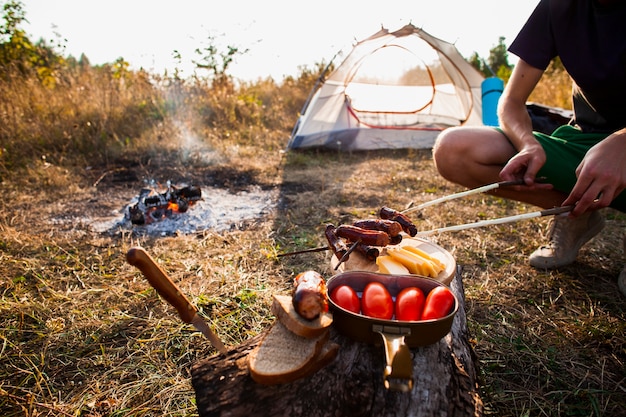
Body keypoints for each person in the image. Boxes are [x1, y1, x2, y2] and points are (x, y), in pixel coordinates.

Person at [432, 0, 626, 295]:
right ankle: (574, 214)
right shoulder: (557, 7)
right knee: (453, 149)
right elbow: (510, 102)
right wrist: (528, 144)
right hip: (584, 145)